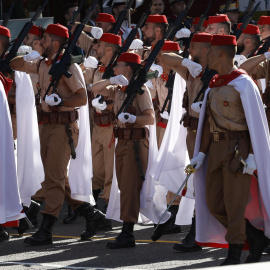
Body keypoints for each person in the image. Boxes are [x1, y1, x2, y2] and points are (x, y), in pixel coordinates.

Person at [9, 23, 106, 246]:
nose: (40, 42)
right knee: (55, 176)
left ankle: (46, 229)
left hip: (63, 128)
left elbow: (82, 98)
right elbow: (13, 65)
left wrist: (62, 101)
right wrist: (30, 55)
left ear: (55, 43)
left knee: (53, 178)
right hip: (46, 126)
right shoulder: (43, 64)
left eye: (44, 39)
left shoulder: (69, 67)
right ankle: (91, 214)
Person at [191, 34, 270, 265]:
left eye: (210, 51)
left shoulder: (243, 83)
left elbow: (255, 123)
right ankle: (253, 236)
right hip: (215, 148)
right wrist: (201, 153)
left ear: (222, 53)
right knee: (213, 202)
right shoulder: (215, 84)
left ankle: (234, 252)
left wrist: (254, 155)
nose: (206, 55)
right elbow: (207, 122)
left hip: (238, 149)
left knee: (235, 203)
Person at [91, 52, 155, 248]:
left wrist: (134, 119)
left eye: (118, 66)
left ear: (128, 68)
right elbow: (93, 89)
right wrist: (111, 79)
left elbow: (151, 118)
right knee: (125, 187)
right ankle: (160, 221)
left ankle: (127, 233)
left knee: (129, 188)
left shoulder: (140, 90)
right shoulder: (119, 89)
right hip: (121, 142)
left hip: (135, 144)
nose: (114, 68)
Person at [156, 33, 212, 251]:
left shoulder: (218, 72)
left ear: (206, 50)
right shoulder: (190, 69)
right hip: (192, 132)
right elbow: (164, 57)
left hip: (210, 132)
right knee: (199, 181)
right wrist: (186, 62)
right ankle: (198, 232)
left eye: (194, 48)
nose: (190, 51)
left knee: (210, 182)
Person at [82, 33, 122, 225]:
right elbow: (86, 86)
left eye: (99, 46)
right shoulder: (99, 68)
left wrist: (107, 106)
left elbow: (123, 97)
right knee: (96, 168)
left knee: (109, 169)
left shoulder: (120, 69)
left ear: (109, 49)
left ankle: (107, 210)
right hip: (97, 123)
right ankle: (91, 207)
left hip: (111, 124)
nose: (95, 49)